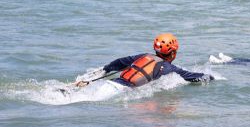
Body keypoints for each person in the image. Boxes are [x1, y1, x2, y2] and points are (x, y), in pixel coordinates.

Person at [75, 33, 214, 87]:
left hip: (113, 82)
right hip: (122, 90)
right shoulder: (169, 68)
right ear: (173, 53)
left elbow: (118, 63)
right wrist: (212, 78)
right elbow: (192, 77)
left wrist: (105, 70)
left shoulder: (142, 56)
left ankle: (83, 84)